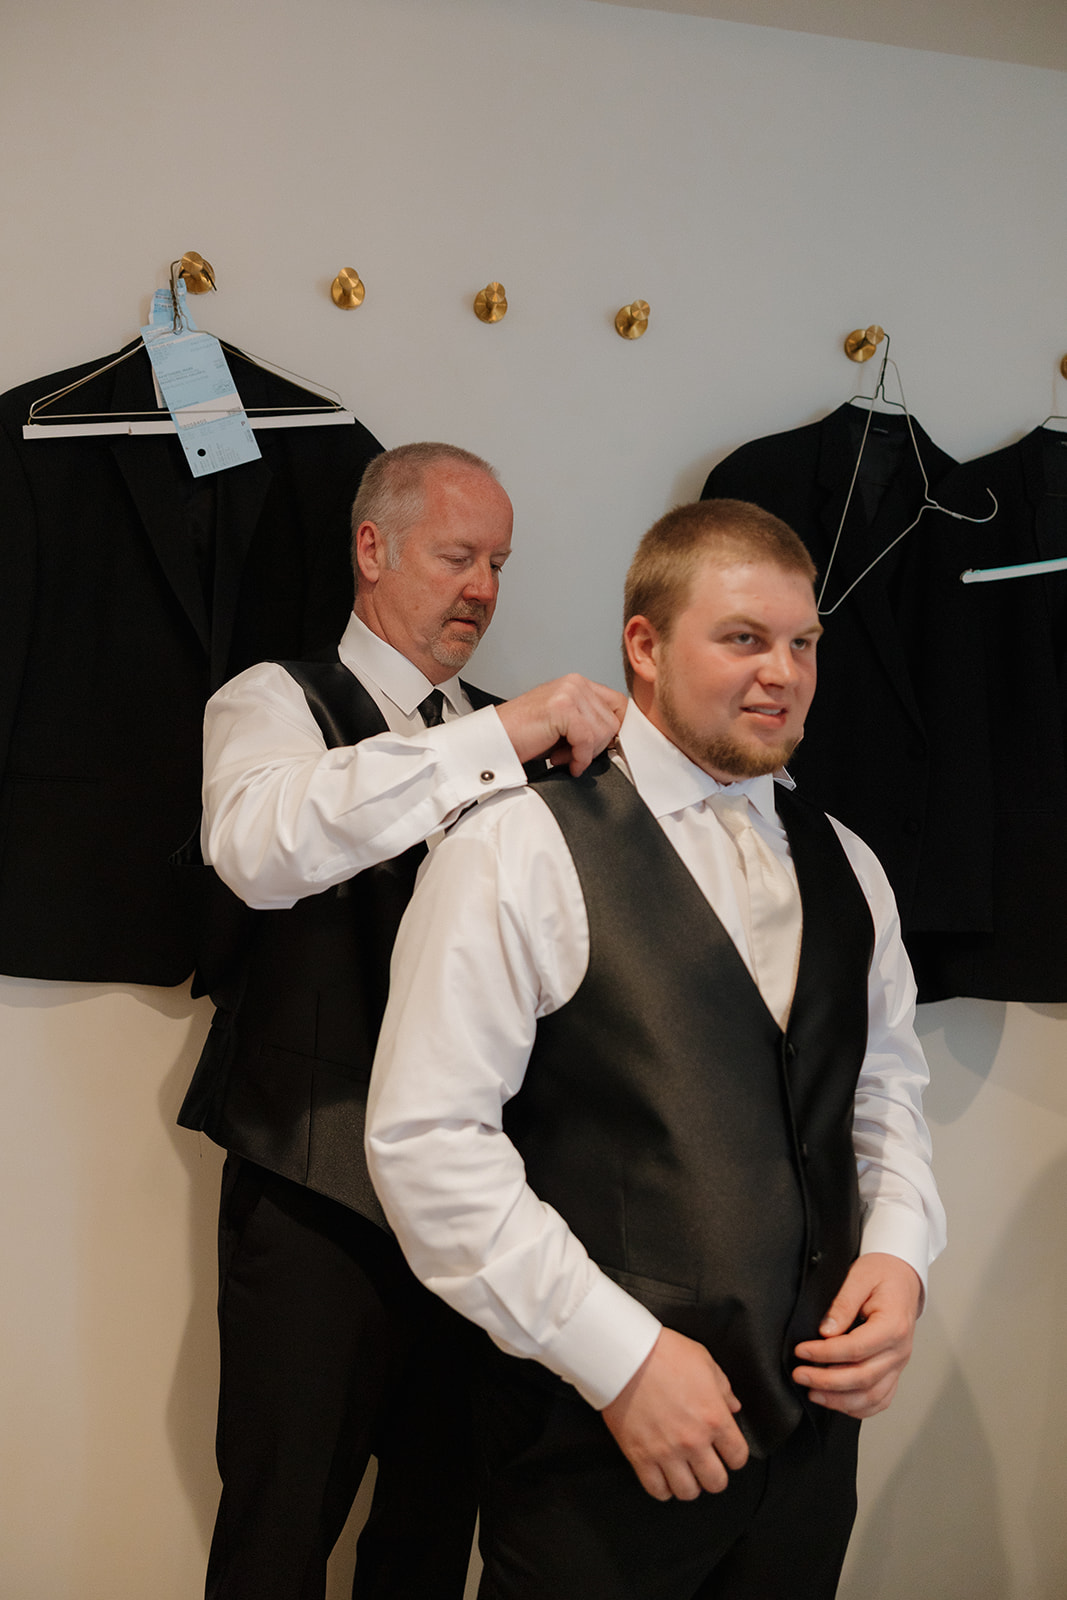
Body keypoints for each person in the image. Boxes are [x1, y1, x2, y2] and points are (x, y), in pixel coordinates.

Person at [366, 497, 947, 1600]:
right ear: (642, 644)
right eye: (742, 638)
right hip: (591, 1446)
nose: (782, 672)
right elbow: (427, 1142)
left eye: (802, 643)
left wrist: (901, 1251)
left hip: (811, 1451)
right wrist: (618, 1358)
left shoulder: (851, 866)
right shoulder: (517, 845)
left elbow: (881, 1092)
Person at [178, 441, 627, 1600]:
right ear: (372, 550)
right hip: (310, 1191)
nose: (482, 587)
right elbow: (260, 850)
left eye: (499, 564)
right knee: (278, 1529)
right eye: (457, 555)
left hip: (477, 1212)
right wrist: (494, 738)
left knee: (433, 1534)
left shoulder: (519, 738)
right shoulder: (275, 698)